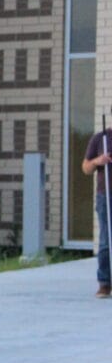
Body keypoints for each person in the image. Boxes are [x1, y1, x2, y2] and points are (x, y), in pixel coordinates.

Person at [82, 127, 112, 297]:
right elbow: (85, 168)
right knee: (106, 239)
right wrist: (97, 161)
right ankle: (105, 283)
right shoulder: (101, 138)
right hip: (106, 195)